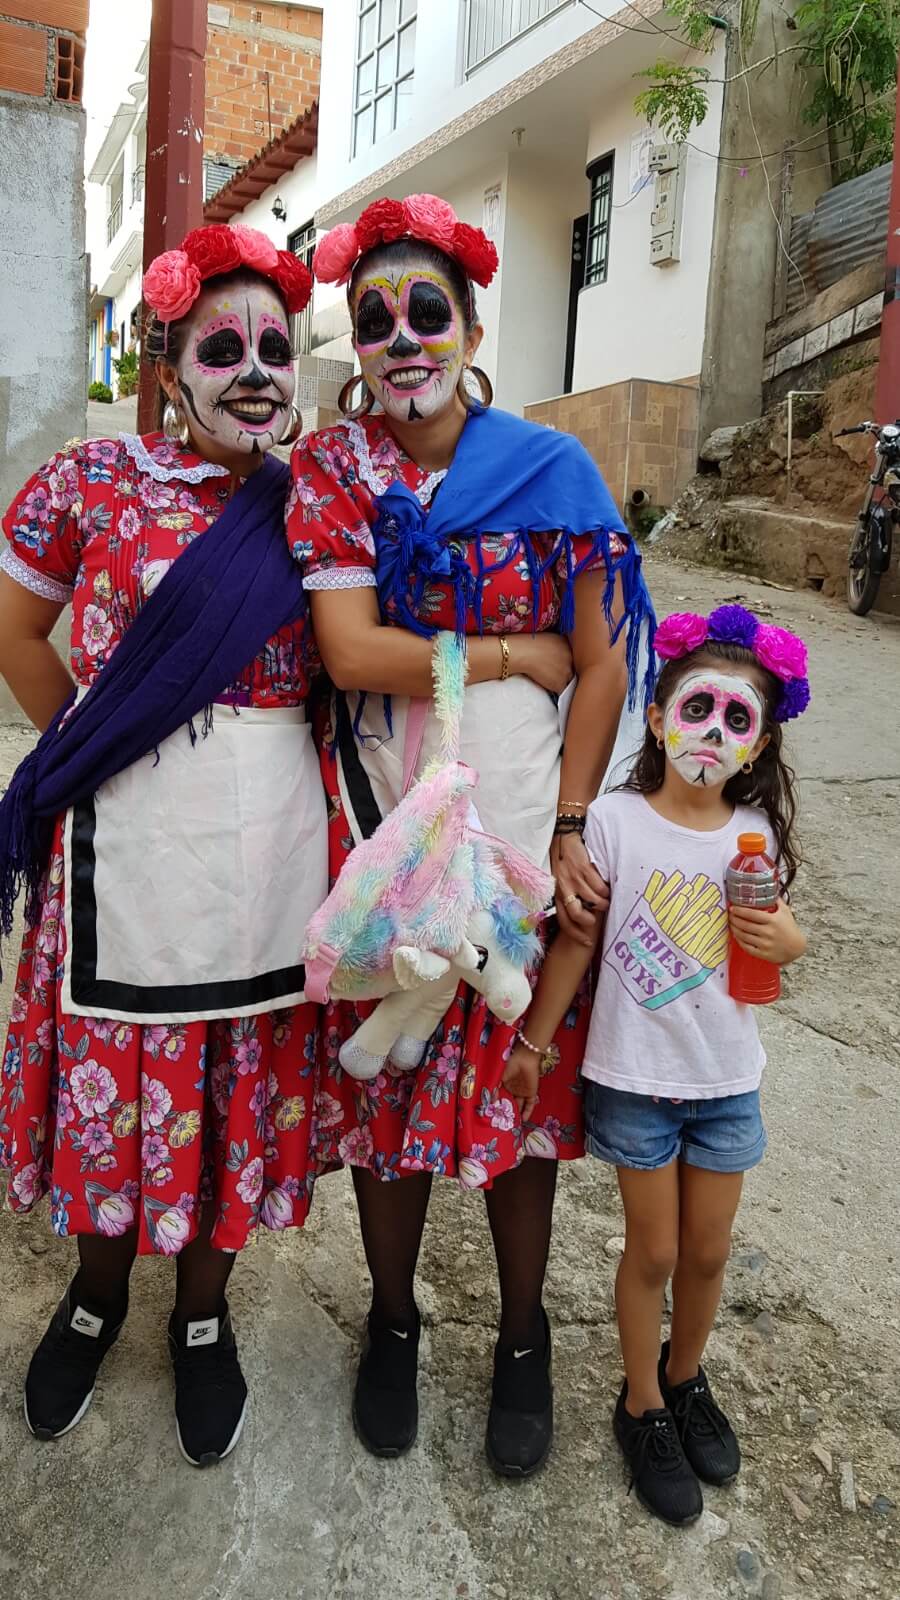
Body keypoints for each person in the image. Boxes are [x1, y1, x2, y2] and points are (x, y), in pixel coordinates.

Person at [288, 193, 654, 1477]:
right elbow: (349, 652)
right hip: (384, 831)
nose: (401, 338)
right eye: (374, 316)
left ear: (473, 327)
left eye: (426, 310)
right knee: (383, 1095)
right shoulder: (335, 474)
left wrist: (573, 826)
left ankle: (521, 1337)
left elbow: (599, 663)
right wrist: (508, 652)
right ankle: (393, 1322)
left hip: (520, 834)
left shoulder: (553, 473)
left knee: (520, 1097)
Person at [0, 224, 326, 1467]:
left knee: (233, 1084)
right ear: (170, 368)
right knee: (114, 1079)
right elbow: (16, 630)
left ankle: (201, 1315)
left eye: (274, 349)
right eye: (222, 348)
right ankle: (95, 1295)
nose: (254, 371)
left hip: (265, 866)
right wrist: (87, 753)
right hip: (124, 859)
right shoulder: (93, 484)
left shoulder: (318, 504)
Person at [503, 604, 809, 1522]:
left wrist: (788, 939)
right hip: (636, 1081)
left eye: (736, 719)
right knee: (657, 1250)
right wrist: (532, 1044)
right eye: (697, 709)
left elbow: (777, 941)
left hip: (726, 1082)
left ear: (758, 747)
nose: (712, 733)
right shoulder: (613, 823)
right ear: (658, 716)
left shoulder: (752, 838)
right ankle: (640, 1403)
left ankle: (685, 1378)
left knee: (709, 1252)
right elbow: (576, 943)